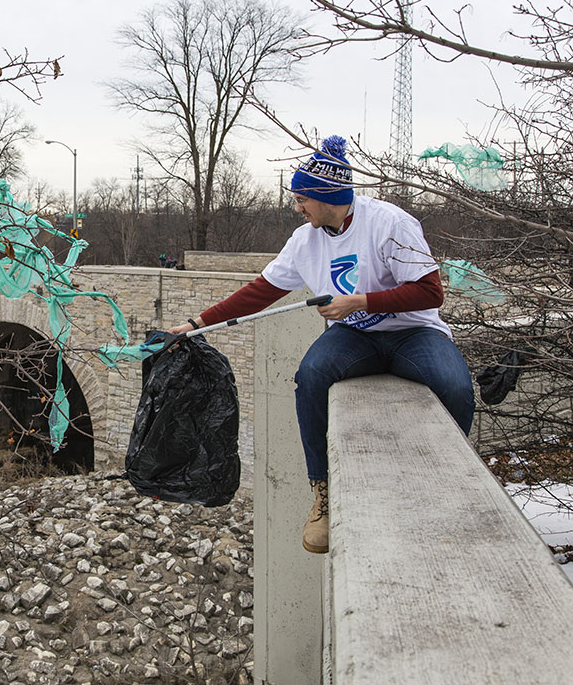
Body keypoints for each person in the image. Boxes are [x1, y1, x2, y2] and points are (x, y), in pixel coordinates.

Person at [169, 135, 474, 554]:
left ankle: (448, 486)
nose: (297, 207)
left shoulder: (391, 224)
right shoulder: (304, 241)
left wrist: (361, 301)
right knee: (311, 374)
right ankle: (323, 492)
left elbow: (430, 293)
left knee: (455, 387)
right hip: (355, 337)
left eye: (301, 199)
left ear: (325, 196)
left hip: (414, 332)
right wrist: (196, 323)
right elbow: (260, 291)